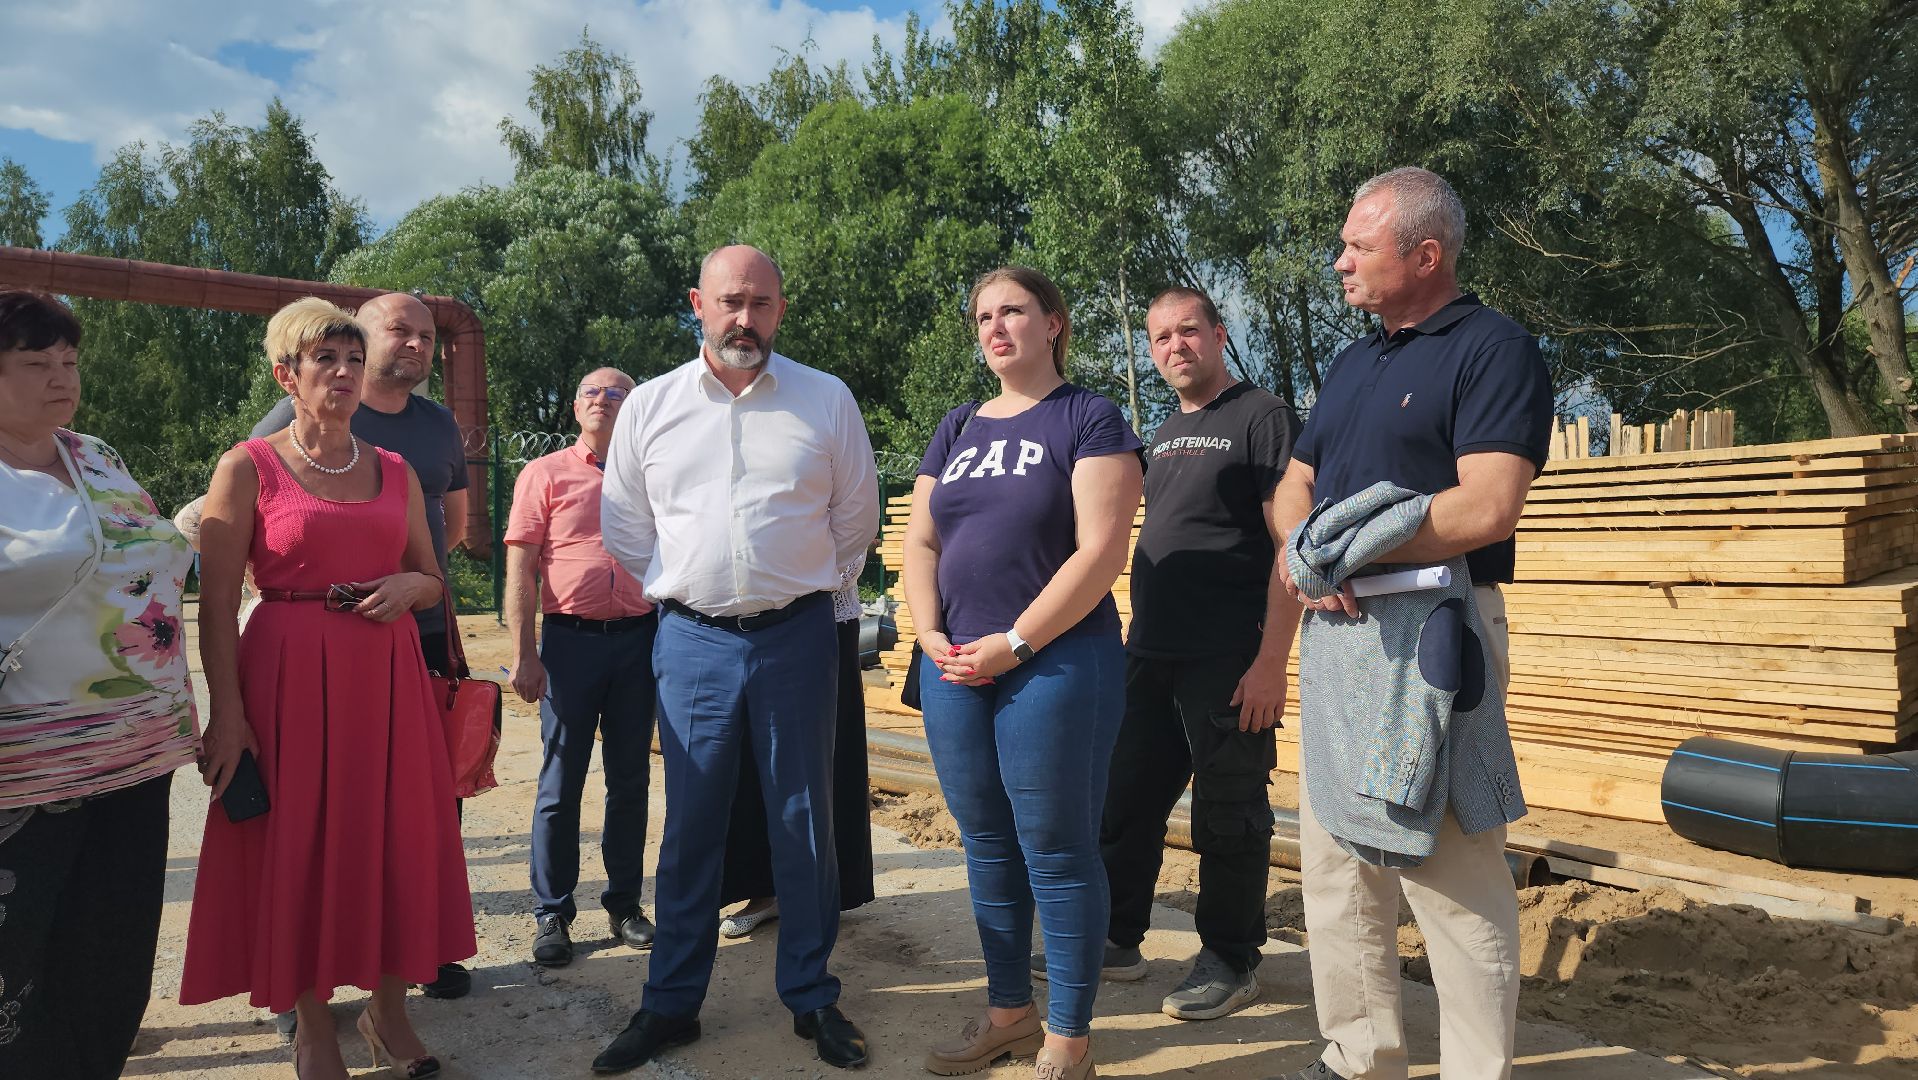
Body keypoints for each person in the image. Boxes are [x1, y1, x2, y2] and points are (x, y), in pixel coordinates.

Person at [1268, 168, 1552, 1080]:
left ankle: (1476, 1069)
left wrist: (1349, 552)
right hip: (1339, 630)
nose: (1340, 260)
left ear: (1426, 255)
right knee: (1337, 854)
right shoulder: (1355, 362)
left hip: (1438, 629)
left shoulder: (1492, 349)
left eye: (1359, 245)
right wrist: (1303, 557)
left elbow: (1489, 505)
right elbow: (1295, 487)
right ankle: (1359, 1054)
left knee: (1450, 861)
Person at [592, 245, 879, 1075]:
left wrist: (798, 588)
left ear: (780, 310)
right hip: (691, 640)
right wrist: (683, 588)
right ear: (697, 304)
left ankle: (813, 997)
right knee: (691, 827)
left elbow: (853, 517)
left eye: (759, 303)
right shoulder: (650, 407)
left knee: (805, 819)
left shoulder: (825, 400)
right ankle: (670, 1003)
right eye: (728, 301)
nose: (743, 318)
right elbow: (626, 522)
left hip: (795, 636)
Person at [181, 298, 476, 1080]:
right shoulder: (247, 465)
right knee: (299, 843)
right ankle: (312, 1026)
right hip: (285, 674)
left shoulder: (398, 470)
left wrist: (412, 587)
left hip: (387, 678)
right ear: (288, 375)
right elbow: (213, 613)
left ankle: (389, 1012)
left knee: (395, 836)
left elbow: (431, 571)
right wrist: (228, 716)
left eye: (353, 359)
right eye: (326, 362)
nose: (345, 374)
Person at [904, 266, 1144, 1080]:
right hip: (955, 664)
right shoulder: (958, 424)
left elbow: (1101, 550)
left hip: (1053, 660)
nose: (995, 327)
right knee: (987, 847)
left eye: (1013, 311)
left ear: (1054, 323)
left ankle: (1069, 1037)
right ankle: (1009, 1012)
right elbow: (921, 542)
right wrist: (927, 630)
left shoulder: (1090, 418)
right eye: (982, 316)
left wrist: (1018, 640)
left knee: (1056, 848)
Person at [1080, 286, 1300, 1021]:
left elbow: (1289, 546)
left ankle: (1232, 959)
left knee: (1229, 811)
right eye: (1162, 337)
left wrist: (1272, 660)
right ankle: (1116, 939)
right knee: (1126, 801)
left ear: (1218, 334)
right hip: (1150, 650)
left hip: (1227, 657)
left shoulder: (1262, 417)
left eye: (1189, 332)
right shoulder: (1164, 429)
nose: (1176, 346)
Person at [250, 290, 477, 1002]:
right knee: (311, 820)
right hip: (308, 649)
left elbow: (454, 530)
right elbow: (249, 542)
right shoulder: (273, 438)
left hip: (411, 636)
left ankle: (416, 950)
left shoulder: (434, 430)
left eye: (427, 336)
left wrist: (412, 583)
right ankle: (303, 992)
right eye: (399, 332)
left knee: (415, 812)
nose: (414, 345)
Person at [0, 289, 201, 1079]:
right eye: (34, 362)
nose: (61, 378)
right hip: (22, 777)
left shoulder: (96, 455)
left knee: (109, 964)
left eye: (70, 361)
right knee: (18, 978)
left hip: (135, 762)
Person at [504, 367, 658, 967]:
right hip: (569, 642)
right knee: (559, 782)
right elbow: (521, 567)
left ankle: (624, 905)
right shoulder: (544, 474)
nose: (604, 400)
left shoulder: (653, 475)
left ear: (634, 408)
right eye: (592, 392)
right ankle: (552, 912)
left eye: (618, 392)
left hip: (640, 640)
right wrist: (523, 652)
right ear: (575, 409)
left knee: (630, 780)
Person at [716, 571, 878, 940]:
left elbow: (853, 540)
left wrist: (788, 572)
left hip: (818, 618)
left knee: (821, 762)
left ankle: (820, 893)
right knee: (750, 760)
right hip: (742, 622)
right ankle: (763, 891)